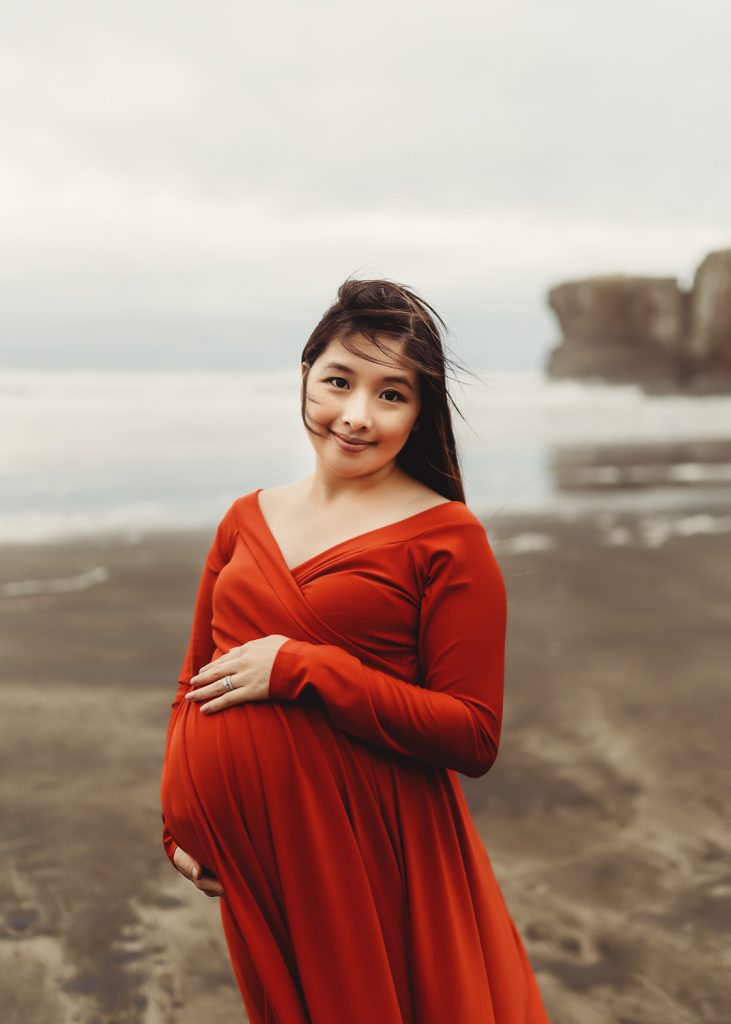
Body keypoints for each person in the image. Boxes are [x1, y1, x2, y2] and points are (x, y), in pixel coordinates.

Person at [159, 277, 551, 1022]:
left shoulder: (448, 538)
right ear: (304, 373)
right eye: (338, 380)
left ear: (418, 411)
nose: (355, 416)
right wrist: (179, 826)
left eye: (390, 395)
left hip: (370, 855)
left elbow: (472, 734)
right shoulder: (244, 518)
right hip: (259, 863)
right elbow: (192, 683)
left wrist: (306, 668)